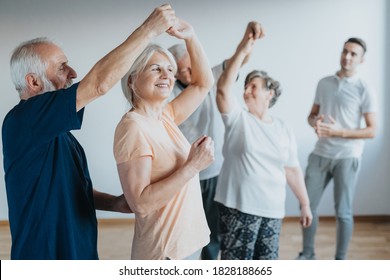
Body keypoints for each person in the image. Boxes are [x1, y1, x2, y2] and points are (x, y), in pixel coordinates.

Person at [2, 4, 179, 260]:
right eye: (62, 67)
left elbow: (72, 190)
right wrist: (149, 30)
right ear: (33, 82)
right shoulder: (24, 120)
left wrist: (114, 203)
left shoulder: (60, 134)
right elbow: (97, 85)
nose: (73, 73)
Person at [113, 17, 214, 260]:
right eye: (155, 68)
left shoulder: (164, 115)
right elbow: (140, 203)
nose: (166, 75)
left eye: (170, 69)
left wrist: (190, 36)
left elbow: (203, 83)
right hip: (164, 252)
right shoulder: (133, 127)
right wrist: (193, 166)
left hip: (189, 242)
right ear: (132, 79)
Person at [214, 23, 313, 260]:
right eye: (245, 86)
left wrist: (305, 203)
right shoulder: (238, 119)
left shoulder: (283, 128)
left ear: (270, 93)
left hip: (272, 211)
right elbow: (223, 89)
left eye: (254, 86)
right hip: (238, 208)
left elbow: (292, 170)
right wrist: (243, 48)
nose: (246, 90)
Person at [167, 21, 259, 260]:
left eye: (192, 67)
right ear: (174, 71)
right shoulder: (168, 92)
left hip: (214, 170)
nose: (192, 73)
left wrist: (246, 40)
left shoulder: (209, 76)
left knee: (213, 230)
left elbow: (238, 61)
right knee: (182, 229)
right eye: (185, 70)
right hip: (184, 172)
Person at [296, 38, 377, 260]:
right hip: (320, 154)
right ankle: (308, 253)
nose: (347, 57)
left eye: (353, 54)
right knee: (307, 205)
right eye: (345, 51)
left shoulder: (364, 89)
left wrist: (339, 132)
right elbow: (311, 116)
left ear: (361, 60)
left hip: (347, 157)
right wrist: (316, 123)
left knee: (343, 213)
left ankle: (340, 261)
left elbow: (372, 131)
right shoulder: (324, 83)